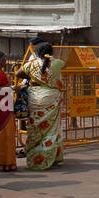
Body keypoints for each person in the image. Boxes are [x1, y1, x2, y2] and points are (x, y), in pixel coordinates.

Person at [22, 42, 66, 170]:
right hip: (51, 99)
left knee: (35, 128)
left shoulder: (32, 64)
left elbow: (19, 73)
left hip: (34, 97)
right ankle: (50, 157)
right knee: (51, 129)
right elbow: (65, 64)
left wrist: (33, 78)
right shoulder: (57, 63)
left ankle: (34, 159)